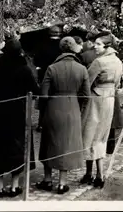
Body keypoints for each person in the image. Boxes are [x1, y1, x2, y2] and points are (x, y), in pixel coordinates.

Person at [36, 37, 90, 195]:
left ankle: (47, 180)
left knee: (48, 142)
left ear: (60, 49)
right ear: (74, 49)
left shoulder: (51, 68)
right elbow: (86, 95)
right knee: (66, 144)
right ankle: (62, 183)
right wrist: (79, 108)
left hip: (53, 109)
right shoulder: (82, 69)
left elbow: (44, 95)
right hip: (72, 108)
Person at [0, 39, 39, 198]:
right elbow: (35, 89)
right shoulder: (23, 68)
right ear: (19, 52)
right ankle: (14, 186)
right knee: (17, 147)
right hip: (18, 111)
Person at [80, 32, 123, 188]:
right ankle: (96, 174)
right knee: (102, 136)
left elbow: (87, 83)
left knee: (90, 134)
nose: (94, 46)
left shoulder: (99, 62)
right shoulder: (118, 61)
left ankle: (94, 174)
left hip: (96, 99)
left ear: (107, 46)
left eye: (98, 44)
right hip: (110, 98)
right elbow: (117, 84)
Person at [33, 25, 63, 131]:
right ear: (60, 33)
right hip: (59, 75)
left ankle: (41, 123)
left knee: (44, 100)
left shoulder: (42, 45)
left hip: (44, 75)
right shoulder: (62, 45)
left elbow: (36, 61)